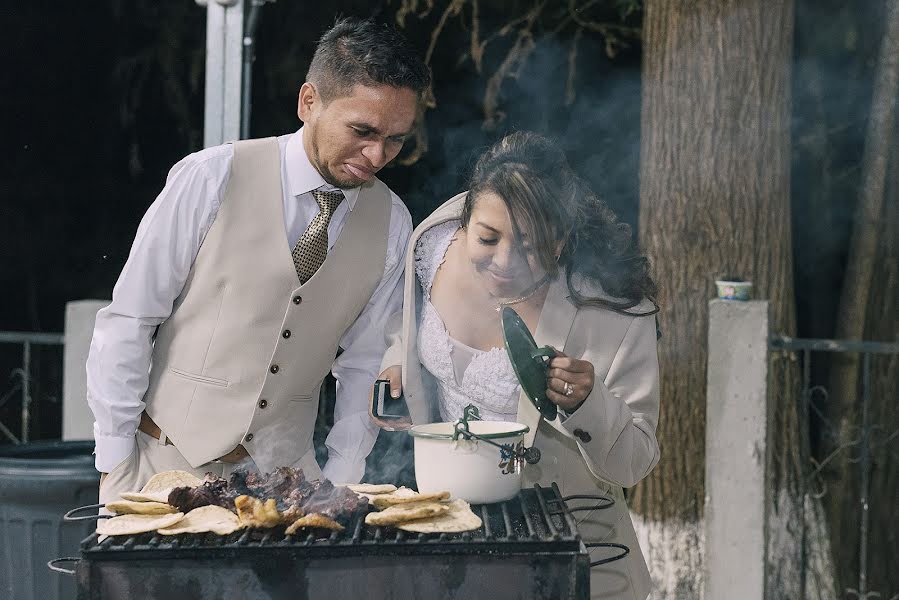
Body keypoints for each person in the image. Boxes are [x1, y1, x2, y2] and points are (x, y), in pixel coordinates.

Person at [87, 16, 430, 506]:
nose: (376, 155)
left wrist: (343, 478)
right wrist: (116, 463)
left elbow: (362, 364)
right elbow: (130, 320)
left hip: (292, 487)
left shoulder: (392, 220)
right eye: (362, 130)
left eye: (396, 139)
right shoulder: (211, 178)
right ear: (308, 102)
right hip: (160, 472)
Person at [377, 131, 661, 599]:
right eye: (488, 237)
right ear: (466, 220)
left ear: (561, 241)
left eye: (530, 245)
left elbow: (635, 462)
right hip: (454, 542)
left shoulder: (615, 313)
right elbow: (404, 316)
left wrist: (588, 404)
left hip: (571, 554)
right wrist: (396, 362)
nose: (505, 261)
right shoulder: (433, 243)